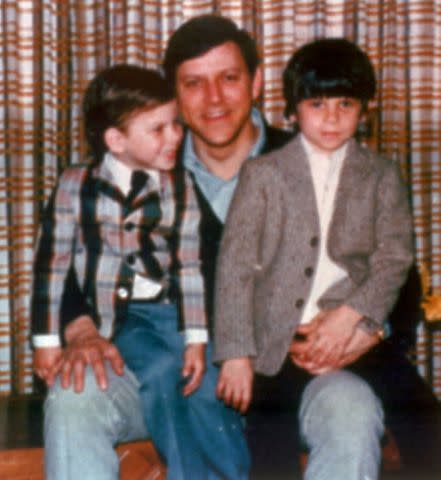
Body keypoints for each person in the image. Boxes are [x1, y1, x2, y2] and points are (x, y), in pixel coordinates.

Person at [31, 63, 249, 480]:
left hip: (171, 314)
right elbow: (52, 264)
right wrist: (46, 340)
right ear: (115, 140)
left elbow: (189, 265)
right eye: (159, 129)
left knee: (205, 387)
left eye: (176, 125)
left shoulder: (180, 185)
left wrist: (198, 338)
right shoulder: (75, 184)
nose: (176, 137)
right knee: (163, 372)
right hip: (120, 321)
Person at [213, 38, 417, 480]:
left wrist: (355, 315)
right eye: (318, 103)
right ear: (292, 109)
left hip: (355, 331)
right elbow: (234, 268)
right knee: (270, 447)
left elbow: (395, 256)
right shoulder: (263, 174)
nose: (332, 117)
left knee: (423, 419)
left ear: (365, 110)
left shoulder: (382, 174)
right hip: (279, 345)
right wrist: (235, 354)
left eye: (346, 104)